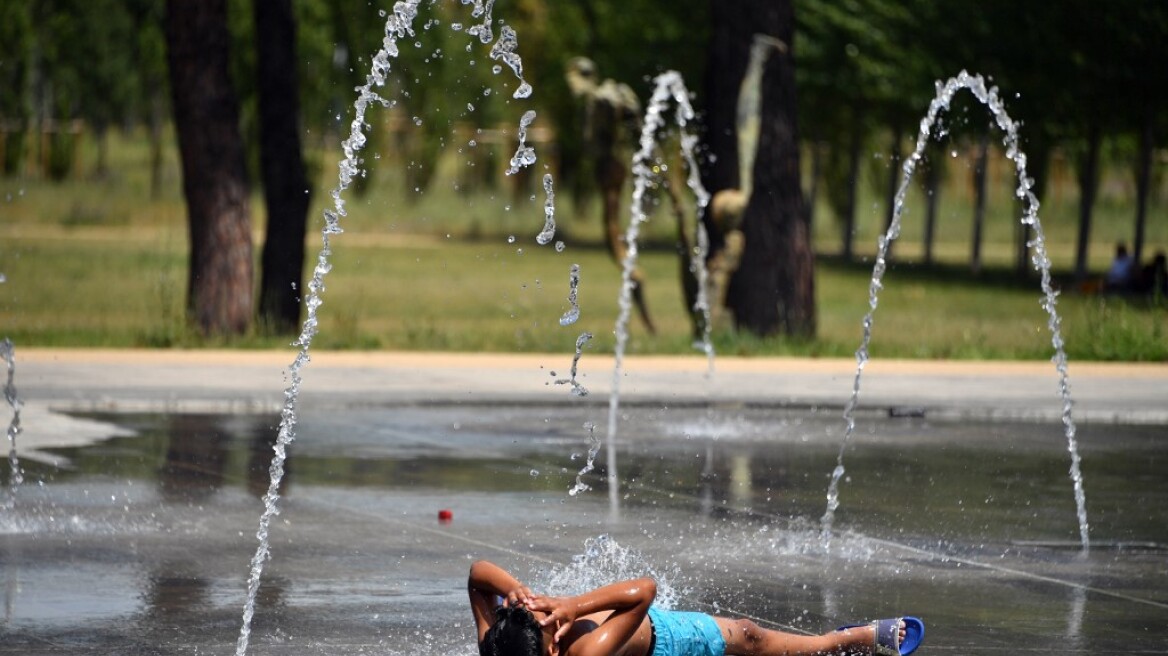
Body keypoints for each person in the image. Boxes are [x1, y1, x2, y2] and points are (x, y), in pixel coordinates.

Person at [468, 560, 925, 656]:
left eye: (532, 612)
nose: (545, 613)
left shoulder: (498, 643)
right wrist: (572, 604)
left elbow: (477, 575)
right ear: (553, 651)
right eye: (548, 623)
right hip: (667, 641)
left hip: (637, 630)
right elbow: (644, 591)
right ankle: (845, 640)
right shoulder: (585, 654)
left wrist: (519, 590)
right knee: (750, 636)